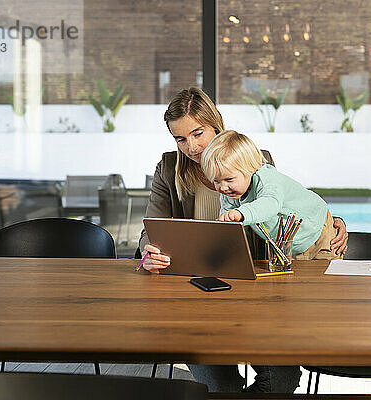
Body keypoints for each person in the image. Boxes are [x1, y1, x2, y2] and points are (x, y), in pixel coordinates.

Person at [138, 87, 348, 393]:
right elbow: (151, 229)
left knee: (280, 381)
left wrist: (335, 221)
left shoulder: (254, 159)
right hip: (193, 295)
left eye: (198, 133)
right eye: (180, 139)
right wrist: (149, 251)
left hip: (255, 291)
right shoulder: (169, 168)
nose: (191, 147)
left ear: (216, 124)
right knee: (220, 386)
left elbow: (284, 203)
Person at [202, 130, 342, 261]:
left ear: (249, 169)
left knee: (329, 278)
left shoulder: (267, 178)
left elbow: (270, 204)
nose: (223, 187)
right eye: (216, 181)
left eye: (229, 179)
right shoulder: (229, 194)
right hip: (290, 246)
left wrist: (240, 213)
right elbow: (226, 224)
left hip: (317, 230)